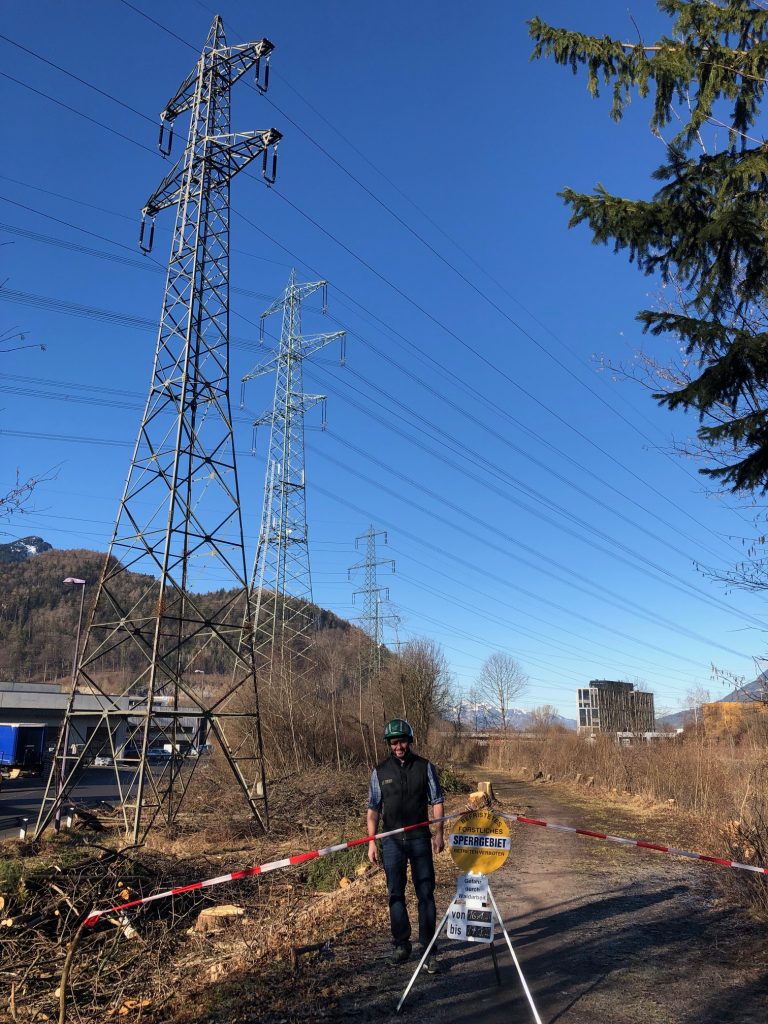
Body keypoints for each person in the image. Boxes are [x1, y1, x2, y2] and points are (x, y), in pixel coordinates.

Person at [367, 718, 445, 971]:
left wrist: (439, 833)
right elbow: (373, 809)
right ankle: (401, 944)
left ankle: (428, 949)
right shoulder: (379, 772)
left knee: (425, 894)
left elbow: (437, 801)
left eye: (402, 741)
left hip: (420, 839)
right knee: (395, 894)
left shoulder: (425, 767)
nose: (398, 746)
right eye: (393, 742)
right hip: (392, 843)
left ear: (409, 741)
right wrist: (372, 842)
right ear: (388, 744)